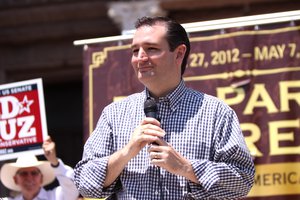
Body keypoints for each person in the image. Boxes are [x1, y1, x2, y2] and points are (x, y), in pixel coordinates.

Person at [74, 16, 255, 199]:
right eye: (135, 50)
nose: (140, 58)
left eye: (151, 49)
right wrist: (126, 152)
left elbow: (242, 180)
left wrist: (185, 168)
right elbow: (84, 184)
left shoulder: (216, 112)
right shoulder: (114, 114)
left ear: (179, 54)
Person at [0, 136, 79, 200]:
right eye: (23, 173)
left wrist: (55, 163)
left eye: (34, 173)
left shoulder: (56, 196)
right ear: (15, 179)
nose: (29, 178)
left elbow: (73, 187)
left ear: (41, 177)